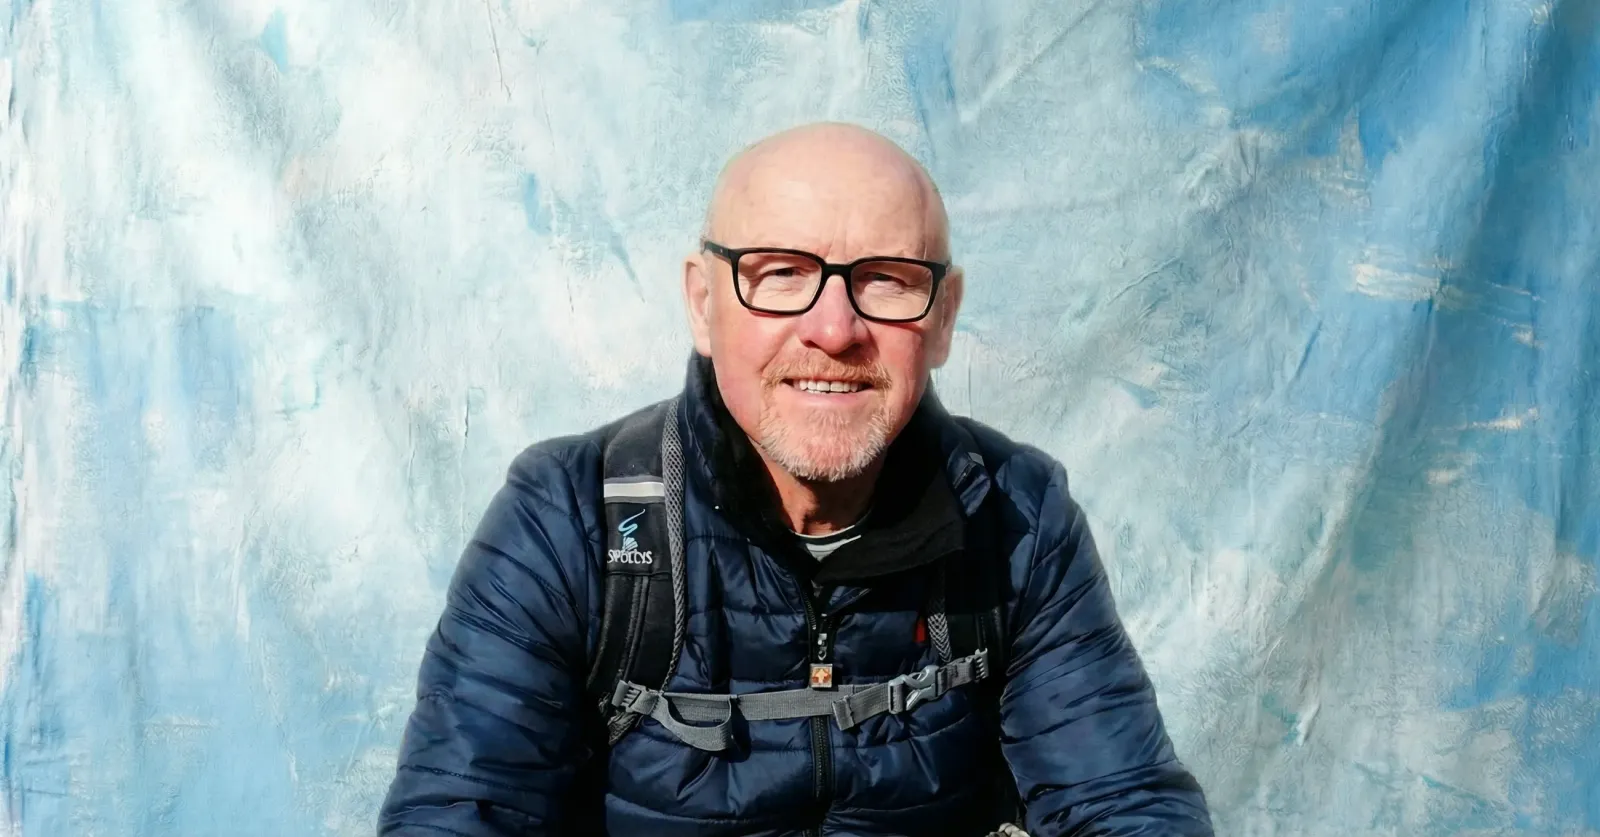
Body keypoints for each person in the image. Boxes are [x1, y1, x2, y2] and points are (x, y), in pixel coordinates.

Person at [377, 122, 1214, 837]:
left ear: (944, 316)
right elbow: (457, 813)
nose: (834, 328)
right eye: (780, 272)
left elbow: (1125, 802)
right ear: (703, 302)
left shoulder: (1019, 516)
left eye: (885, 278)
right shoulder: (568, 516)